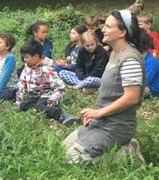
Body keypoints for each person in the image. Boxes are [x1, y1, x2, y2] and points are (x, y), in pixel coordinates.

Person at [64, 10, 152, 164]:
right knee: (64, 147)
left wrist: (99, 113)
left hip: (116, 126)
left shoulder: (130, 59)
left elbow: (132, 98)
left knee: (72, 158)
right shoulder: (114, 53)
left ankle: (128, 154)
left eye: (108, 27)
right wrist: (96, 116)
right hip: (102, 121)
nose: (103, 29)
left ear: (122, 32)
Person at [17, 40, 79, 126]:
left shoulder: (46, 69)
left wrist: (53, 99)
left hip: (48, 95)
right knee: (23, 105)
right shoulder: (27, 67)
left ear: (35, 56)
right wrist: (19, 99)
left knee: (40, 105)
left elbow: (59, 87)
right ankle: (44, 109)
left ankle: (62, 116)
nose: (24, 60)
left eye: (26, 57)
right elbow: (22, 83)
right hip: (35, 96)